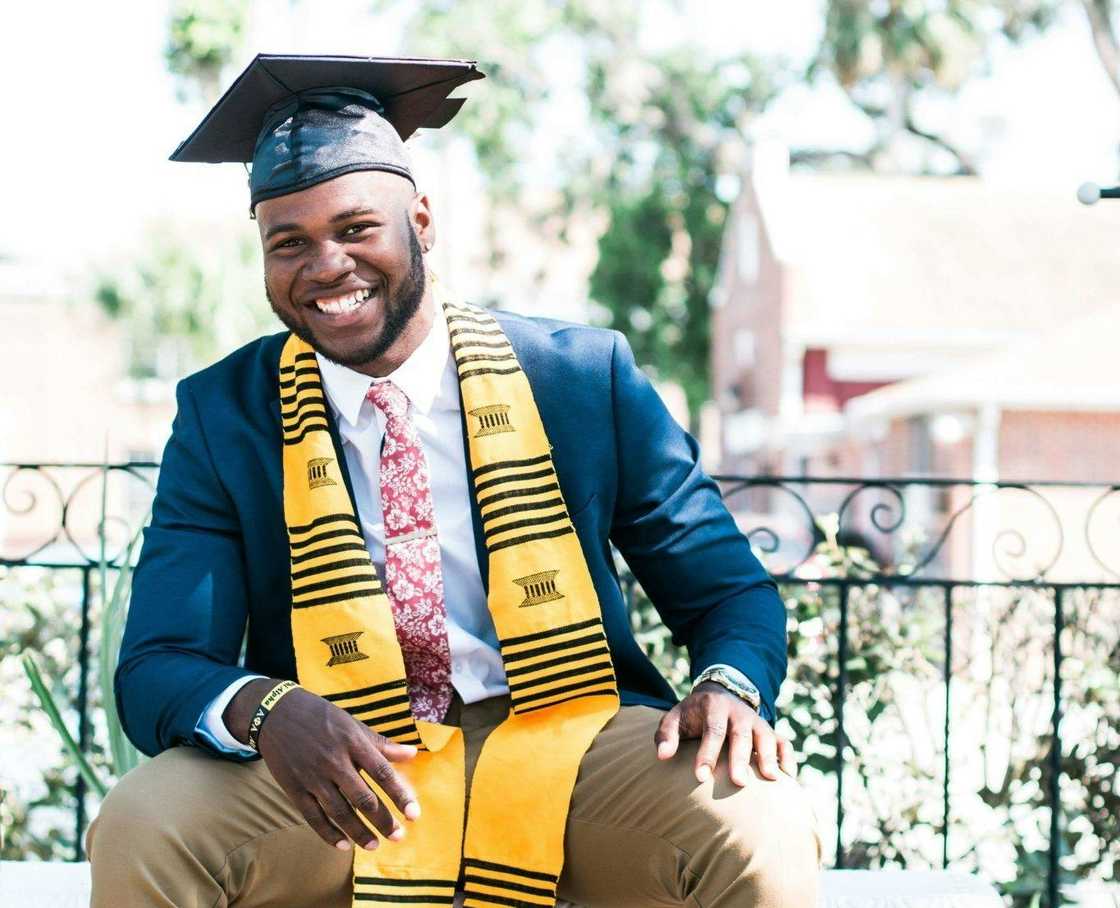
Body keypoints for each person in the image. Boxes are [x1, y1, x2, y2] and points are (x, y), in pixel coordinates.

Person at [87, 54, 820, 908]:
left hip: (569, 734)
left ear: (422, 222)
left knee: (755, 821)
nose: (326, 266)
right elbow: (159, 664)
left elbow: (730, 595)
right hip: (342, 760)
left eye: (357, 228)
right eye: (289, 242)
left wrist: (727, 686)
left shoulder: (580, 378)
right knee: (146, 824)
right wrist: (266, 709)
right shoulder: (227, 414)